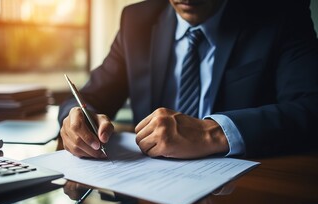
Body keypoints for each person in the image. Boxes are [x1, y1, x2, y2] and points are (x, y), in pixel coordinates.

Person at [58, 0, 318, 159]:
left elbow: (310, 108)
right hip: (149, 194)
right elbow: (88, 97)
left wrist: (211, 134)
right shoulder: (136, 20)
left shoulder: (282, 13)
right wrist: (76, 119)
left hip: (246, 190)